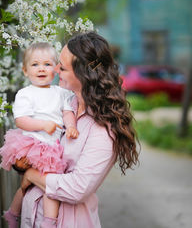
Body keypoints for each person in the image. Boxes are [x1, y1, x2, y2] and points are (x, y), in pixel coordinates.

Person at [19, 32, 139, 227]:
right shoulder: (62, 105)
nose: (55, 69)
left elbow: (77, 189)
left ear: (84, 74)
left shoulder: (102, 128)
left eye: (63, 67)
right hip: (33, 215)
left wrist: (32, 175)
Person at [0, 42, 79, 228]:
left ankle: (26, 216)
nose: (41, 69)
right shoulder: (25, 94)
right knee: (38, 185)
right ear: (25, 70)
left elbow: (68, 112)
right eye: (35, 65)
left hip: (52, 147)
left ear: (56, 69)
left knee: (41, 186)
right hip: (31, 144)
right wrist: (43, 125)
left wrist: (72, 126)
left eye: (47, 64)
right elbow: (21, 120)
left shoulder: (62, 93)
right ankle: (33, 218)